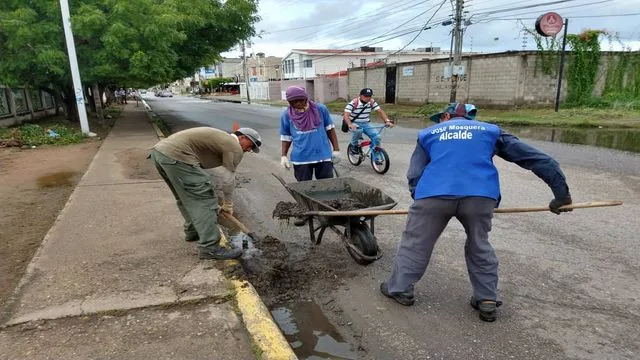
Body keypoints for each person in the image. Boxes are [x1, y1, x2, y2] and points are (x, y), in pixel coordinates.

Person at [380, 103, 573, 322]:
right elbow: (540, 160)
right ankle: (487, 299)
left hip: (433, 195)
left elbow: (415, 173)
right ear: (472, 118)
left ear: (445, 116)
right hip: (480, 197)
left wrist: (421, 200)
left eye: (440, 119)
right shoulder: (491, 131)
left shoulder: (427, 133)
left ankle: (400, 289)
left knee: (416, 242)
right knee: (479, 243)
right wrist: (561, 195)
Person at [150, 126, 262, 260]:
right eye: (251, 145)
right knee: (205, 199)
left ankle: (193, 232)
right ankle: (209, 248)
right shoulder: (234, 146)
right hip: (177, 157)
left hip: (160, 154)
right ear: (243, 137)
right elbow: (228, 180)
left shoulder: (222, 138)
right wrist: (227, 203)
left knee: (186, 198)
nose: (249, 150)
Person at [280, 86, 341, 226]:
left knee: (326, 186)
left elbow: (330, 129)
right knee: (303, 188)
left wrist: (336, 149)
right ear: (290, 102)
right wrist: (283, 155)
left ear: (305, 97)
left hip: (323, 155)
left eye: (300, 100)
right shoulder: (286, 115)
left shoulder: (320, 109)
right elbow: (286, 137)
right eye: (293, 102)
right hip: (301, 158)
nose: (298, 104)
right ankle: (305, 213)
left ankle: (327, 212)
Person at [343, 88, 394, 163]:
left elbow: (379, 111)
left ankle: (376, 157)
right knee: (358, 131)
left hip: (366, 123)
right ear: (360, 96)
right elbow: (346, 115)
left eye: (370, 96)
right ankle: (353, 146)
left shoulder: (372, 102)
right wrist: (350, 124)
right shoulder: (353, 103)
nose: (368, 98)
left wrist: (387, 121)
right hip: (354, 122)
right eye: (366, 96)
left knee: (376, 137)